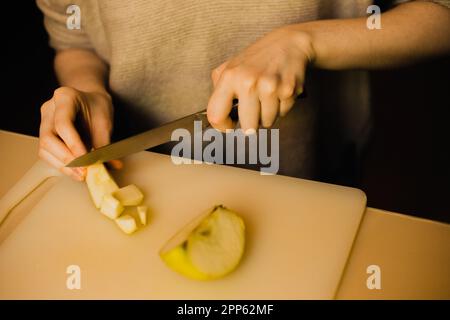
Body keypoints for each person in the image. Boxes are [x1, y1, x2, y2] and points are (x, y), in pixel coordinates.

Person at [36, 0, 450, 181]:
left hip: (310, 174)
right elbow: (75, 40)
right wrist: (88, 90)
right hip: (140, 173)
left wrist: (305, 42)